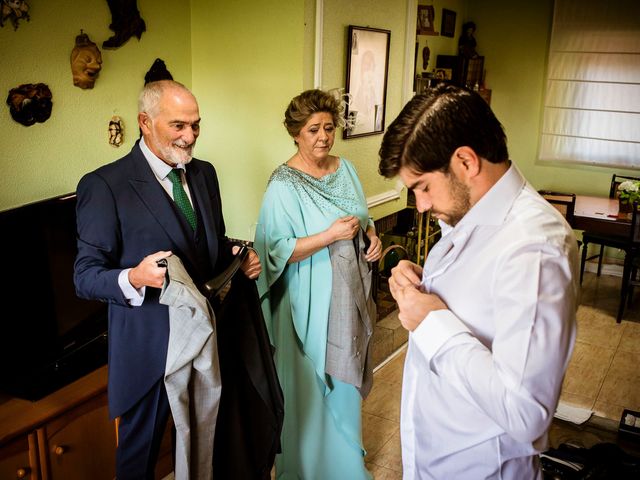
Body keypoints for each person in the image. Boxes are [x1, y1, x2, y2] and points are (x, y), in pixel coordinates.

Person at [378, 84, 579, 479]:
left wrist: (432, 320)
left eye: (422, 187)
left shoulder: (534, 248)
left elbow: (526, 412)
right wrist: (422, 285)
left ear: (466, 161)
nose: (420, 205)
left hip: (483, 468)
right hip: (438, 456)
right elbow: (471, 298)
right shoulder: (467, 215)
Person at [74, 79, 261, 479]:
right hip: (150, 350)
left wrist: (236, 256)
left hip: (207, 336)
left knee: (204, 443)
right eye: (178, 126)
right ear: (145, 121)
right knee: (139, 457)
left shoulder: (205, 175)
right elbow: (85, 276)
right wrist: (135, 277)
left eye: (195, 125)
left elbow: (210, 244)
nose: (190, 136)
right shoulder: (105, 185)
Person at [255, 88, 382, 479]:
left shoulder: (346, 169)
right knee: (308, 393)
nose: (323, 137)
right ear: (296, 133)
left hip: (348, 301)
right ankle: (306, 470)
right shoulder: (283, 183)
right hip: (304, 307)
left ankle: (345, 468)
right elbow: (273, 250)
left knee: (344, 386)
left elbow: (363, 217)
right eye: (313, 129)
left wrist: (373, 238)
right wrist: (329, 236)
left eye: (329, 128)